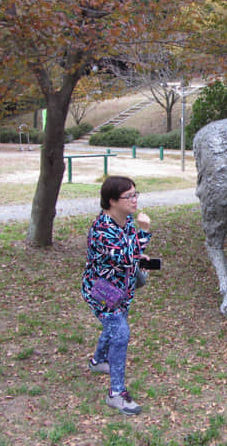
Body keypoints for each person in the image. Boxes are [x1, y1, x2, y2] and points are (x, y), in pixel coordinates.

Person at [82, 176, 152, 415]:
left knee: (114, 326)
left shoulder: (126, 222)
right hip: (102, 290)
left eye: (136, 194)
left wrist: (146, 262)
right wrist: (145, 233)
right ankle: (116, 394)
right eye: (129, 196)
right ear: (112, 201)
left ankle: (98, 361)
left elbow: (134, 255)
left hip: (122, 290)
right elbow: (124, 257)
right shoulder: (102, 229)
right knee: (120, 332)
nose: (135, 200)